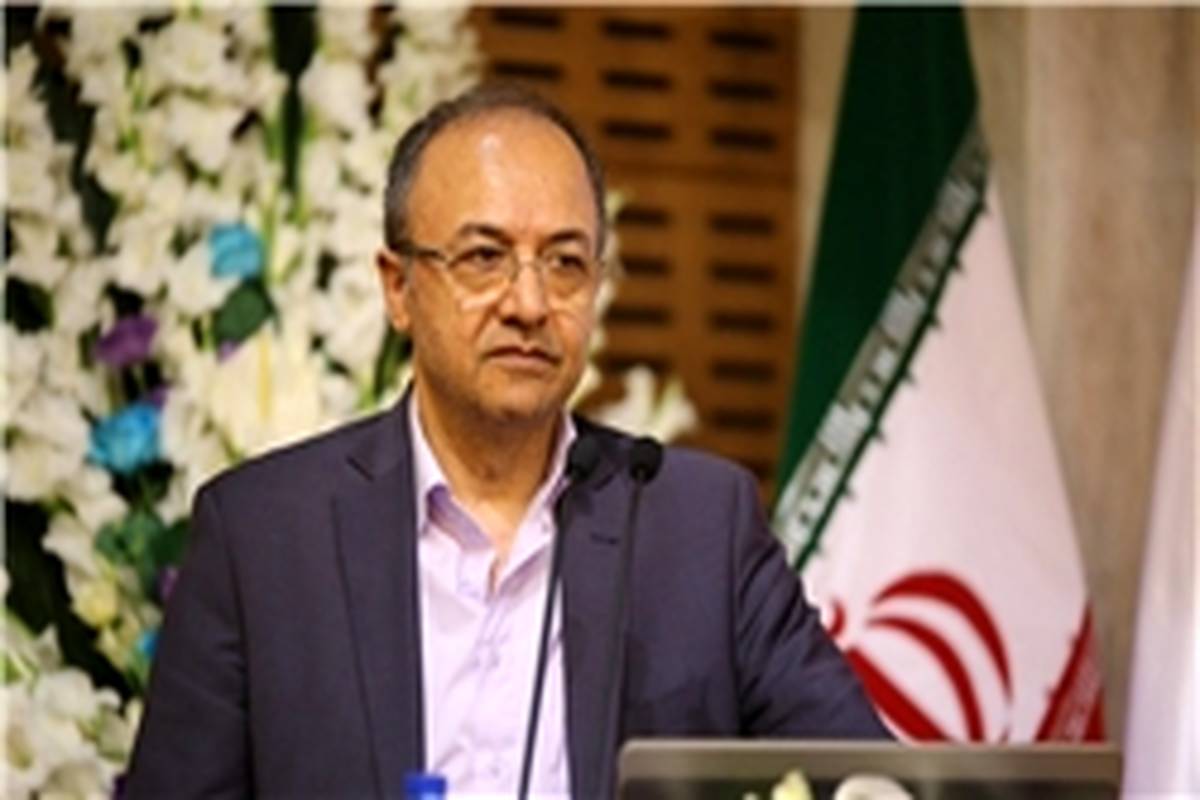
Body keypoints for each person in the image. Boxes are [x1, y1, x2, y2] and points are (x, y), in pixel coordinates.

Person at [126, 84, 887, 800]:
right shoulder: (260, 538)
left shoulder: (698, 527)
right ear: (398, 287)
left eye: (565, 264)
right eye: (484, 257)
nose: (529, 303)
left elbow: (872, 785)